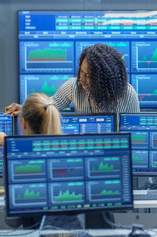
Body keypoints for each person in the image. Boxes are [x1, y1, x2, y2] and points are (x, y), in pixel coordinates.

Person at [0, 93, 114, 229]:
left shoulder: (19, 163)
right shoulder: (86, 155)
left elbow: (13, 221)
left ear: (23, 122)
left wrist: (11, 152)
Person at [4, 44, 140, 116]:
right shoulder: (73, 86)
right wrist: (25, 109)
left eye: (89, 75)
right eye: (81, 71)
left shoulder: (128, 94)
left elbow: (135, 132)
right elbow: (48, 105)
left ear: (105, 78)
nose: (82, 79)